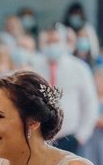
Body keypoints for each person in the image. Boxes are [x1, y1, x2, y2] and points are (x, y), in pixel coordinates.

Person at [35, 25, 99, 154]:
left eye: (56, 41)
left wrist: (81, 137)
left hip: (70, 138)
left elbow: (90, 104)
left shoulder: (79, 68)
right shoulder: (34, 66)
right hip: (40, 138)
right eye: (49, 42)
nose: (52, 45)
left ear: (65, 43)